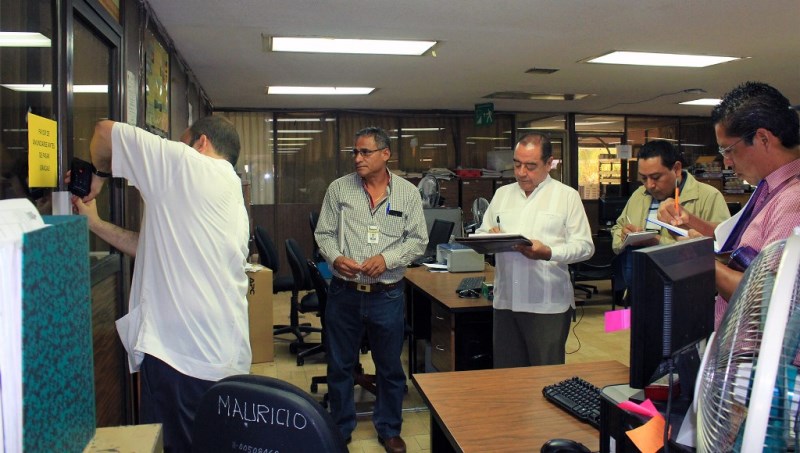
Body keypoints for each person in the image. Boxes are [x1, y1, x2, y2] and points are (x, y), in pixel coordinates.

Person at [72, 116, 251, 452]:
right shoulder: (230, 192)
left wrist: (98, 174)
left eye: (181, 141)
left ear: (201, 142)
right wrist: (95, 224)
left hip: (182, 360)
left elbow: (103, 132)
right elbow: (150, 247)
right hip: (223, 360)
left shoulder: (185, 164)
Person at [314, 126, 427, 453]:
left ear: (385, 154)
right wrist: (336, 258)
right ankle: (340, 428)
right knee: (340, 366)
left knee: (390, 367)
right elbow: (323, 234)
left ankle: (389, 429)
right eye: (355, 152)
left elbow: (418, 241)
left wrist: (388, 259)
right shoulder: (339, 189)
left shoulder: (407, 194)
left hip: (387, 295)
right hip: (345, 292)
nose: (358, 158)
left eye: (365, 152)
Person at [658, 81, 800, 328]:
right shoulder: (771, 187)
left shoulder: (793, 200)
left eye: (729, 150)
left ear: (763, 138)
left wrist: (699, 257)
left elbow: (766, 298)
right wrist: (689, 222)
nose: (726, 162)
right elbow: (737, 243)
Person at [476, 133, 594, 368]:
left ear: (549, 164)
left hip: (546, 304)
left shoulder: (566, 196)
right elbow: (481, 233)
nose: (521, 172)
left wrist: (549, 252)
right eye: (517, 164)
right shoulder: (502, 194)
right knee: (507, 376)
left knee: (544, 376)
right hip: (506, 301)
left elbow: (585, 247)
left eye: (530, 166)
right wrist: (490, 238)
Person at [610, 140, 730, 293]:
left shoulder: (708, 197)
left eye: (656, 177)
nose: (650, 185)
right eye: (644, 178)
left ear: (677, 169)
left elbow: (723, 253)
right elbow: (617, 228)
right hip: (640, 288)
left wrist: (657, 242)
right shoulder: (639, 195)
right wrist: (624, 235)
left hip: (688, 291)